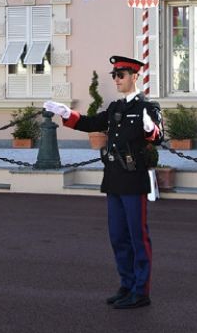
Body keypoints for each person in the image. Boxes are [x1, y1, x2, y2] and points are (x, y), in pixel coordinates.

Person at [44, 55, 163, 310]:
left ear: (134, 76)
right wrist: (67, 113)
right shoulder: (114, 108)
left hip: (134, 180)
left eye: (121, 75)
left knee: (138, 237)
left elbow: (158, 137)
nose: (116, 80)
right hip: (114, 180)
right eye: (114, 76)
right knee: (118, 237)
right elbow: (90, 123)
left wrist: (149, 129)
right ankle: (126, 285)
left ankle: (141, 291)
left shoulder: (148, 108)